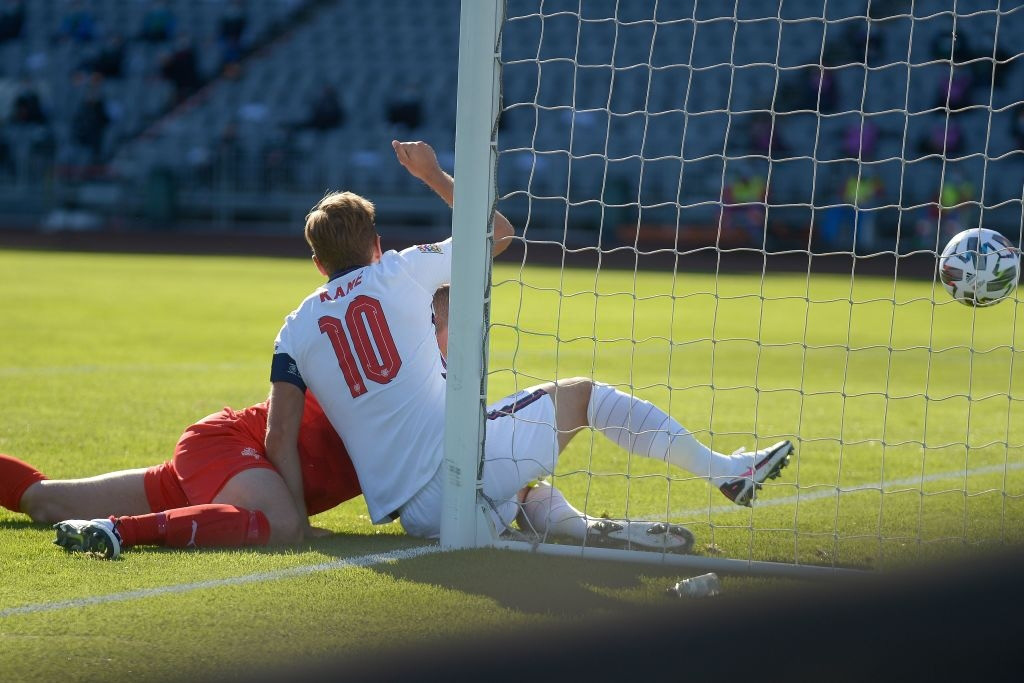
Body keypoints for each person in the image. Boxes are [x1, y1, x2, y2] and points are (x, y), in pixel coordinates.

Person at [268, 140, 794, 546]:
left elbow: (279, 436)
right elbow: (498, 233)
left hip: (419, 518)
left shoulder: (293, 329)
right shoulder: (401, 270)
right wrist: (430, 173)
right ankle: (729, 473)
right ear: (376, 245)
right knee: (583, 395)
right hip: (457, 468)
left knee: (518, 472)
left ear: (317, 263)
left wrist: (297, 526)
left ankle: (578, 529)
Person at [0, 391, 360, 559]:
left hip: (234, 474)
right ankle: (119, 531)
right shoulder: (393, 380)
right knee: (283, 526)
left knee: (45, 502)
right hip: (228, 449)